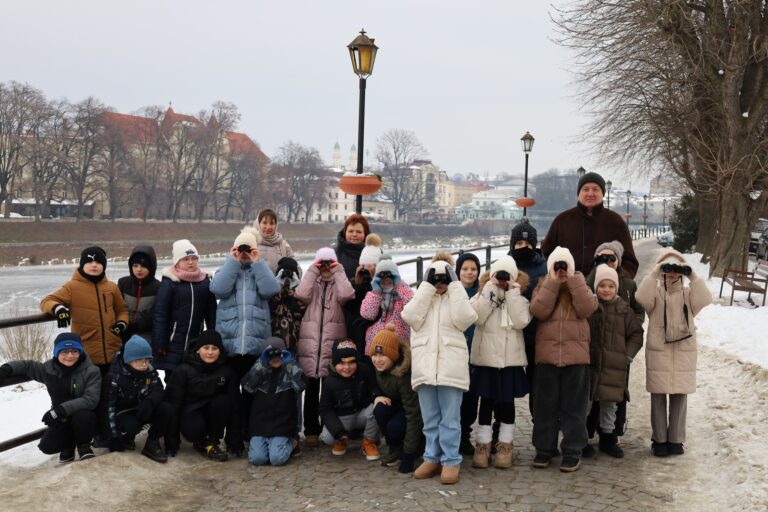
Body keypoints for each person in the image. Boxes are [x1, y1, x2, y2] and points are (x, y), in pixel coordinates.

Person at [402, 252, 478, 485]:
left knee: (450, 419)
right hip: (425, 367)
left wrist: (454, 285)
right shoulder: (422, 299)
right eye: (436, 277)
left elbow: (466, 318)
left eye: (444, 277)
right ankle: (431, 457)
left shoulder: (457, 298)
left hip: (450, 368)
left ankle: (451, 460)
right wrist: (426, 287)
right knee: (430, 418)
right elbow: (409, 316)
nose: (440, 282)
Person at [635, 249, 712, 457]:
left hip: (683, 351)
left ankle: (676, 439)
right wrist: (655, 273)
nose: (672, 273)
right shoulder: (656, 293)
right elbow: (640, 297)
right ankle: (659, 439)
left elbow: (706, 299)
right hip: (659, 350)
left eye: (677, 269)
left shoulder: (688, 294)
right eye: (667, 268)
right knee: (658, 395)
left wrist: (692, 275)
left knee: (679, 395)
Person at [529, 246, 598, 473]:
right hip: (547, 358)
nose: (560, 270)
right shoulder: (542, 286)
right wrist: (553, 283)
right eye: (556, 266)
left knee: (574, 408)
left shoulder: (580, 286)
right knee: (544, 407)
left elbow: (587, 308)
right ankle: (544, 449)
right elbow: (538, 311)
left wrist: (573, 280)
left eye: (564, 265)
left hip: (576, 359)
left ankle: (572, 450)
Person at [469, 255, 531, 469]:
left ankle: (505, 446)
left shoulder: (519, 299)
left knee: (507, 404)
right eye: (499, 276)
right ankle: (483, 445)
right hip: (486, 361)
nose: (503, 280)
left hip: (510, 361)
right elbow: (476, 317)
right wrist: (490, 290)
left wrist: (512, 292)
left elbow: (522, 321)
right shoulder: (482, 295)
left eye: (507, 276)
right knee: (485, 403)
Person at [0, 333, 101, 462]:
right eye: (64, 352)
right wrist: (6, 369)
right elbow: (27, 366)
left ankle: (83, 446)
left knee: (84, 417)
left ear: (80, 352)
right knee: (47, 446)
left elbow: (91, 400)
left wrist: (60, 410)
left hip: (82, 416)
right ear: (56, 353)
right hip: (61, 418)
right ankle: (69, 445)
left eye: (74, 351)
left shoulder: (91, 371)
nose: (70, 356)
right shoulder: (48, 369)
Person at [584, 240, 644, 446]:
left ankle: (609, 436)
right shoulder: (590, 301)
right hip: (592, 358)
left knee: (611, 401)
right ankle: (584, 436)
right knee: (587, 399)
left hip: (615, 359)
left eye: (611, 258)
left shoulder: (625, 298)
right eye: (601, 258)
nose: (606, 290)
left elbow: (636, 328)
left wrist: (627, 353)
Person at [294, 247, 355, 447]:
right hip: (310, 343)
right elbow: (301, 294)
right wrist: (313, 270)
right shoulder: (313, 282)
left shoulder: (339, 283)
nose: (326, 267)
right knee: (311, 390)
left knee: (331, 390)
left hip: (332, 343)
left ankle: (330, 427)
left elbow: (347, 295)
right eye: (323, 263)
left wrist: (338, 271)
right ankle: (311, 430)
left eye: (329, 263)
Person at [40, 246, 129, 374]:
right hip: (87, 355)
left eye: (98, 262)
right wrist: (59, 309)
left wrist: (121, 323)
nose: (94, 265)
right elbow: (47, 301)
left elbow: (122, 310)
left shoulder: (112, 287)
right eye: (90, 261)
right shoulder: (72, 287)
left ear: (104, 266)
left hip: (113, 351)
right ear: (82, 265)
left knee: (112, 385)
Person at [209, 226, 280, 379]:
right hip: (229, 343)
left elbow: (271, 290)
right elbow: (218, 290)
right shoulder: (226, 269)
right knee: (231, 388)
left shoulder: (260, 269)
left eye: (249, 249)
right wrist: (233, 262)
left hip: (256, 343)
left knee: (252, 388)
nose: (244, 253)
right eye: (241, 249)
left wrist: (258, 262)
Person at [541, 172, 639, 278]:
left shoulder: (616, 222)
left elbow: (630, 262)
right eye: (586, 189)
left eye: (595, 189)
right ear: (579, 193)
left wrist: (615, 279)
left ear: (602, 193)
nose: (590, 193)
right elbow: (545, 254)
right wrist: (556, 277)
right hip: (567, 286)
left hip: (604, 286)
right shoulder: (562, 220)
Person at [164, 330, 241, 461]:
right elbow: (173, 405)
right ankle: (199, 440)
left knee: (224, 401)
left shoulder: (227, 372)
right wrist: (172, 440)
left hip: (214, 411)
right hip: (191, 413)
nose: (210, 352)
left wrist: (235, 441)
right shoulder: (183, 370)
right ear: (198, 350)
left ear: (220, 351)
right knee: (194, 428)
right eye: (206, 348)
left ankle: (212, 442)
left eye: (214, 348)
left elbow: (235, 408)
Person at [152, 240, 217, 375]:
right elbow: (160, 315)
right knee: (173, 380)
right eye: (186, 259)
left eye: (194, 258)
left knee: (193, 379)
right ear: (177, 262)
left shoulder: (205, 282)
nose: (190, 262)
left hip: (195, 344)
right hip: (172, 344)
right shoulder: (170, 282)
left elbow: (211, 314)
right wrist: (160, 343)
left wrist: (213, 339)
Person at [104, 335, 172, 463]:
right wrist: (113, 437)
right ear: (129, 360)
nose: (144, 363)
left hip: (142, 408)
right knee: (131, 425)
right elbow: (108, 408)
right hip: (123, 413)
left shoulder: (150, 372)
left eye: (147, 359)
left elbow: (159, 389)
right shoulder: (115, 377)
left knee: (165, 408)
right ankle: (126, 438)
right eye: (139, 360)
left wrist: (150, 401)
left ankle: (152, 442)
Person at [241, 337, 305, 466]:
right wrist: (262, 363)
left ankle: (292, 443)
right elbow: (247, 386)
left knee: (277, 459)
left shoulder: (289, 370)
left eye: (279, 354)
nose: (275, 358)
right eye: (270, 354)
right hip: (260, 425)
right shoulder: (260, 371)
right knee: (257, 459)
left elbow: (301, 386)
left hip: (282, 425)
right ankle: (269, 445)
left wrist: (289, 362)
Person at [369, 324, 423, 473]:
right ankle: (394, 448)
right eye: (375, 355)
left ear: (393, 356)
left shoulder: (404, 375)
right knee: (379, 409)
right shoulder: (378, 366)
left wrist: (409, 455)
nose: (377, 360)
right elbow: (371, 384)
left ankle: (413, 449)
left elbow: (414, 415)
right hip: (395, 406)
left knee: (394, 426)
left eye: (382, 355)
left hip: (412, 412)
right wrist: (376, 395)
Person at [508, 219, 548, 413]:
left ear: (534, 245)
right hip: (510, 333)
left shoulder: (544, 267)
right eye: (519, 243)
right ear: (513, 245)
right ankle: (503, 422)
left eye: (528, 243)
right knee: (507, 380)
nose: (524, 247)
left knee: (537, 380)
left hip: (536, 332)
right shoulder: (505, 266)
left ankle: (538, 419)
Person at [318, 339, 381, 460]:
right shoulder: (329, 382)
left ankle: (369, 441)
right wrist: (338, 431)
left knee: (379, 406)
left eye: (351, 362)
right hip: (342, 418)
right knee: (327, 438)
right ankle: (341, 440)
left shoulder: (365, 370)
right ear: (334, 363)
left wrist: (377, 396)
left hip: (362, 413)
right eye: (342, 363)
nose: (347, 367)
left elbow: (373, 387)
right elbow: (325, 410)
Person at [360, 255, 414, 355]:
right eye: (381, 276)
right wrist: (376, 291)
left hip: (398, 345)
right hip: (376, 344)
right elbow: (368, 314)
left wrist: (399, 284)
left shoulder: (403, 293)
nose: (386, 279)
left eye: (391, 276)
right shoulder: (374, 294)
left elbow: (413, 307)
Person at [455, 252, 481, 456]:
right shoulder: (452, 293)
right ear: (458, 271)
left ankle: (464, 434)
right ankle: (453, 436)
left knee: (471, 400)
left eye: (473, 269)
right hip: (455, 353)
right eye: (465, 269)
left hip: (476, 353)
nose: (469, 272)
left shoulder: (482, 293)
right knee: (454, 399)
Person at [585, 241, 644, 322]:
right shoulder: (590, 280)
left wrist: (634, 325)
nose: (608, 262)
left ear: (618, 261)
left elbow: (639, 311)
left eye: (612, 258)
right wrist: (596, 268)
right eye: (602, 258)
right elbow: (584, 299)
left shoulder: (628, 283)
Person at [345, 233, 383, 354]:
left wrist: (375, 280)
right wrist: (357, 283)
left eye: (371, 266)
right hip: (357, 331)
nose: (366, 270)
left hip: (375, 331)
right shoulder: (355, 282)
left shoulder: (384, 284)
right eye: (363, 266)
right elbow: (348, 305)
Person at [118, 245, 160, 343]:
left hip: (148, 336)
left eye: (143, 266)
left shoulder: (158, 287)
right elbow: (117, 308)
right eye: (135, 266)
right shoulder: (123, 283)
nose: (139, 269)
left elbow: (158, 314)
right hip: (124, 334)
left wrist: (137, 319)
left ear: (151, 267)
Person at [269, 257, 306, 353]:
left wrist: (294, 287)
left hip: (294, 341)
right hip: (274, 340)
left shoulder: (300, 293)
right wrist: (278, 285)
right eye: (284, 273)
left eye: (291, 274)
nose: (287, 278)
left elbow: (298, 313)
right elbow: (272, 308)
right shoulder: (273, 292)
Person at [253, 208, 295, 274]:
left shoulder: (283, 246)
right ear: (258, 224)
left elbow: (297, 270)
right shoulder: (250, 243)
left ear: (276, 225)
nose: (268, 227)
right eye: (264, 223)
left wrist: (289, 273)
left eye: (272, 223)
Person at [335, 213, 372, 281]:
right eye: (351, 231)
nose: (354, 234)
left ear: (365, 234)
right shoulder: (335, 253)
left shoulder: (375, 252)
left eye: (359, 232)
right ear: (345, 233)